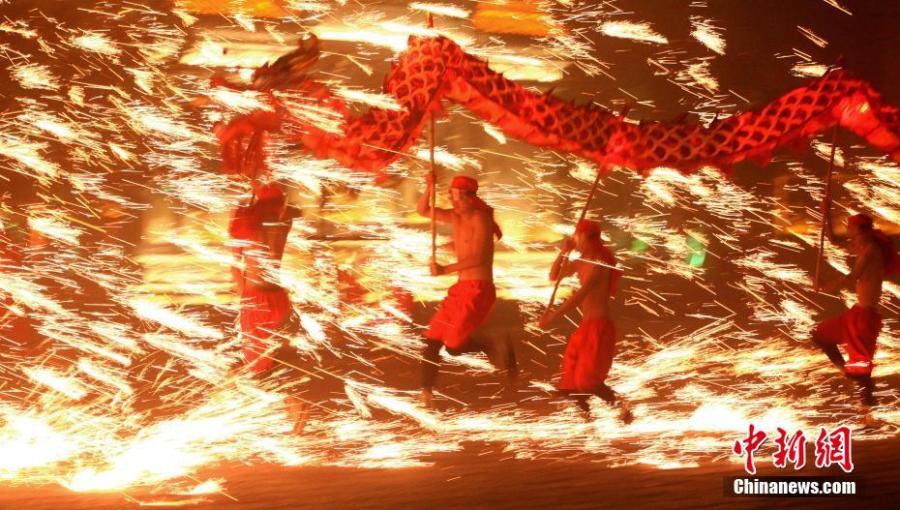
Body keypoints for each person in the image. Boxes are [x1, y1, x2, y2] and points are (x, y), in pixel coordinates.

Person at [417, 173, 515, 408]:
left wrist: (445, 269)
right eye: (452, 196)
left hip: (478, 289)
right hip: (461, 288)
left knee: (453, 346)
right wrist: (429, 186)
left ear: (472, 198)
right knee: (432, 338)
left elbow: (478, 257)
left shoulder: (480, 219)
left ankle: (494, 344)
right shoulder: (455, 217)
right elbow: (423, 211)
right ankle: (426, 391)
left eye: (460, 197)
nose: (455, 202)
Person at [540, 219, 632, 423]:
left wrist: (553, 316)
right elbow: (554, 275)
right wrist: (564, 251)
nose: (575, 241)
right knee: (570, 382)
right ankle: (587, 415)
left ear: (588, 239)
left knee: (587, 381)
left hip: (599, 326)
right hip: (586, 325)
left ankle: (621, 407)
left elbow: (581, 295)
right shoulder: (581, 261)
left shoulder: (600, 262)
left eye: (577, 237)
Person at [812, 212, 898, 409]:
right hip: (856, 314)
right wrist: (827, 212)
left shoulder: (871, 251)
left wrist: (825, 286)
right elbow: (834, 241)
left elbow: (851, 278)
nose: (851, 237)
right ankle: (846, 372)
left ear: (861, 231)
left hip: (865, 318)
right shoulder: (862, 246)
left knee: (862, 372)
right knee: (820, 336)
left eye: (852, 232)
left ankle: (868, 413)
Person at [229, 182, 301, 375]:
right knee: (255, 364)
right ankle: (263, 379)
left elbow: (235, 267)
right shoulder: (281, 219)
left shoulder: (252, 221)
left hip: (271, 303)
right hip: (267, 300)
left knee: (259, 362)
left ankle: (264, 378)